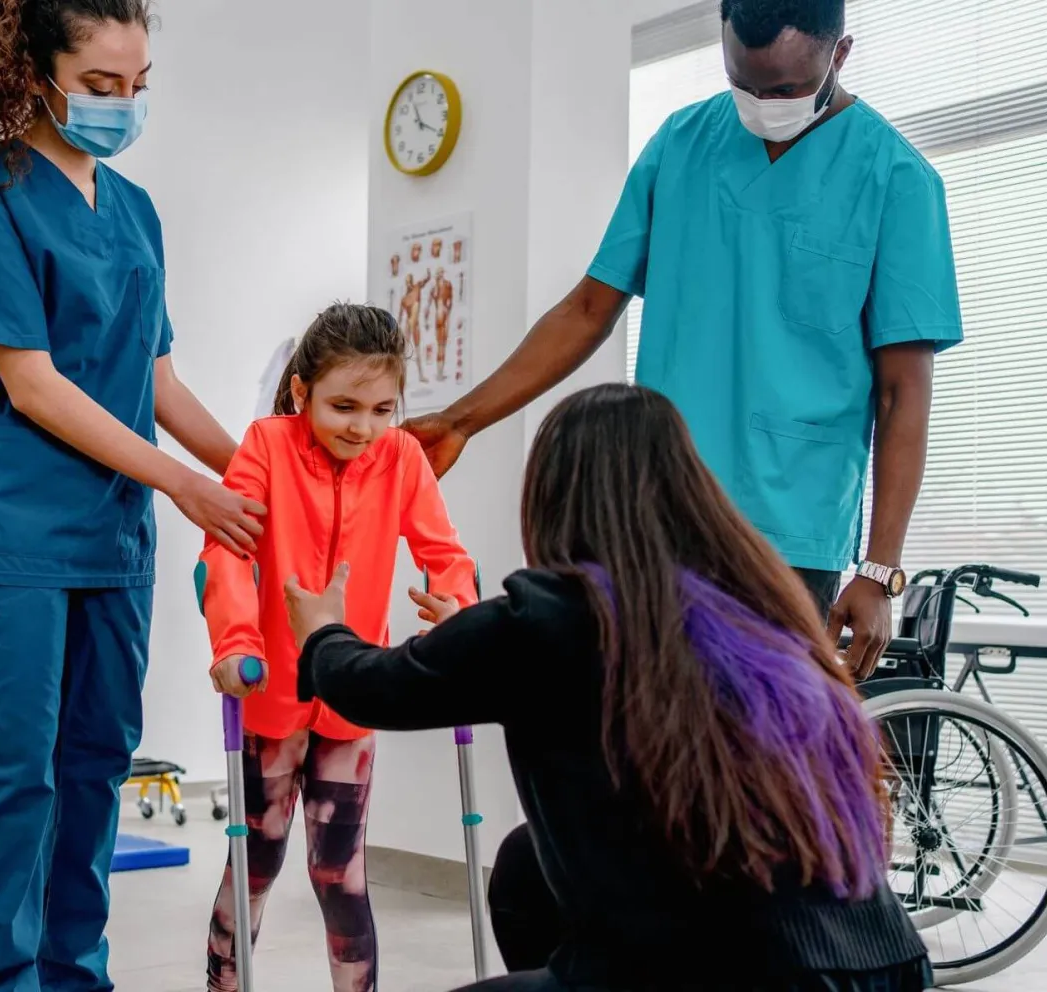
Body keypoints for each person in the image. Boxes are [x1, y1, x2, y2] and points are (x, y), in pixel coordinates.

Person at [286, 383, 932, 992]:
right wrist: (474, 637)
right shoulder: (750, 608)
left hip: (749, 974)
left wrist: (323, 634)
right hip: (881, 964)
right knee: (524, 867)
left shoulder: (552, 615)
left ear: (554, 494)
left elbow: (372, 688)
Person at [406, 0, 963, 677]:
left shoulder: (898, 181)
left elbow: (905, 394)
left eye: (785, 88)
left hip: (788, 534)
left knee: (757, 759)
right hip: (654, 512)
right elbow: (587, 309)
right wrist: (462, 420)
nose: (762, 103)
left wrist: (879, 571)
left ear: (838, 55)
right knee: (639, 742)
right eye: (744, 83)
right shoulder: (681, 145)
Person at [0, 2, 266, 988]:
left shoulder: (137, 211)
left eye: (138, 85)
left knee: (94, 768)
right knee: (9, 782)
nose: (123, 104)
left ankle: (75, 975)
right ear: (35, 74)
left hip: (109, 535)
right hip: (3, 528)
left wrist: (259, 472)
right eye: (101, 86)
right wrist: (185, 485)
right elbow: (33, 383)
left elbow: (154, 380)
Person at [199, 303, 478, 992]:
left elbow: (446, 553)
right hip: (269, 691)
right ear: (302, 393)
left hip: (352, 693)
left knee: (341, 875)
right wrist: (234, 643)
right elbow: (225, 553)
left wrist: (458, 612)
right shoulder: (265, 445)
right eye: (344, 406)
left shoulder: (402, 457)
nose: (364, 427)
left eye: (383, 409)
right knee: (254, 866)